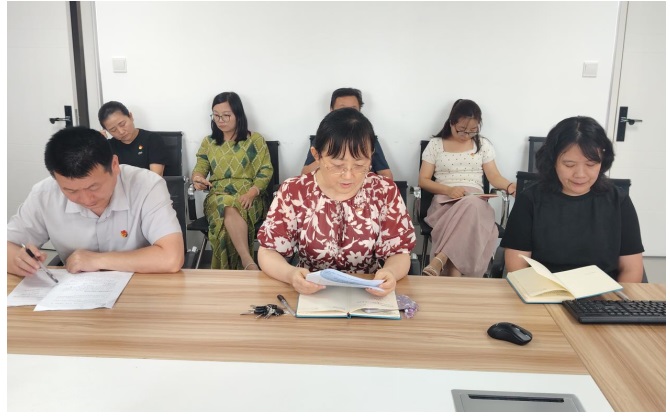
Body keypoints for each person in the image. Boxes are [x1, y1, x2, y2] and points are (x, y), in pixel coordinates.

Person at [257, 107, 416, 296]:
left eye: (359, 165)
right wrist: (291, 275)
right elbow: (268, 252)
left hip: (368, 292)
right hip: (311, 291)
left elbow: (399, 253)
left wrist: (390, 273)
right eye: (337, 165)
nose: (348, 175)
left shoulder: (383, 191)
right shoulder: (294, 191)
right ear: (317, 155)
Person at [7, 126, 184, 276]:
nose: (86, 200)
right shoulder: (44, 194)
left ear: (114, 165)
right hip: (74, 294)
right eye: (71, 191)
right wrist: (17, 259)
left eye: (94, 187)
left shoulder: (147, 185)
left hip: (139, 289)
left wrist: (97, 260)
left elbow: (171, 258)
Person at [500, 116, 644, 282]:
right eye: (569, 165)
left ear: (603, 161)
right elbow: (517, 266)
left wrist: (615, 299)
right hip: (543, 291)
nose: (580, 175)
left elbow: (631, 269)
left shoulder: (619, 201)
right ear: (553, 161)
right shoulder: (529, 200)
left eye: (591, 165)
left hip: (605, 294)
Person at [419, 99, 516, 277]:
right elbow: (423, 181)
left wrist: (510, 186)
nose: (466, 135)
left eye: (472, 131)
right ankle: (455, 276)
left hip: (476, 203)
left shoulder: (483, 145)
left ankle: (441, 259)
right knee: (469, 212)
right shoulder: (435, 145)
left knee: (471, 204)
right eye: (462, 130)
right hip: (445, 201)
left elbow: (494, 176)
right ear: (451, 123)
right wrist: (449, 190)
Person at [191, 92, 273, 270]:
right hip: (217, 196)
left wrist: (251, 193)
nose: (220, 120)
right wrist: (197, 179)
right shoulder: (209, 142)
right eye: (216, 115)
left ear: (238, 114)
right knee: (226, 203)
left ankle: (229, 275)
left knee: (224, 222)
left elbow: (265, 170)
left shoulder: (254, 140)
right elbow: (200, 167)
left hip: (249, 196)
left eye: (226, 115)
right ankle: (247, 261)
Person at [300, 87, 393, 179]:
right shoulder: (322, 138)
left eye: (353, 109)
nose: (347, 113)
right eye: (342, 109)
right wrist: (327, 158)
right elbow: (305, 174)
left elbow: (386, 175)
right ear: (331, 111)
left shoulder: (368, 139)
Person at [98, 101, 168, 176]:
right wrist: (97, 146)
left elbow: (155, 177)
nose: (121, 131)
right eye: (113, 130)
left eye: (122, 124)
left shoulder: (152, 139)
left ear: (130, 117)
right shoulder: (108, 147)